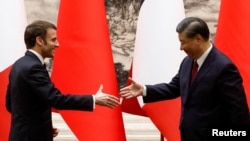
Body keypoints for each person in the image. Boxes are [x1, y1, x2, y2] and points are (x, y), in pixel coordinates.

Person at [120, 17, 250, 141]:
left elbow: (239, 112)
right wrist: (144, 89)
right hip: (188, 136)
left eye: (183, 42)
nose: (181, 48)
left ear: (198, 38)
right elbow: (174, 88)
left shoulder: (224, 67)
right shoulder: (187, 62)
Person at [5, 20, 120, 141]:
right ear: (39, 41)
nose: (57, 44)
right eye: (53, 40)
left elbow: (11, 104)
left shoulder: (19, 64)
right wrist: (93, 99)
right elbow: (55, 99)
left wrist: (41, 126)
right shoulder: (33, 67)